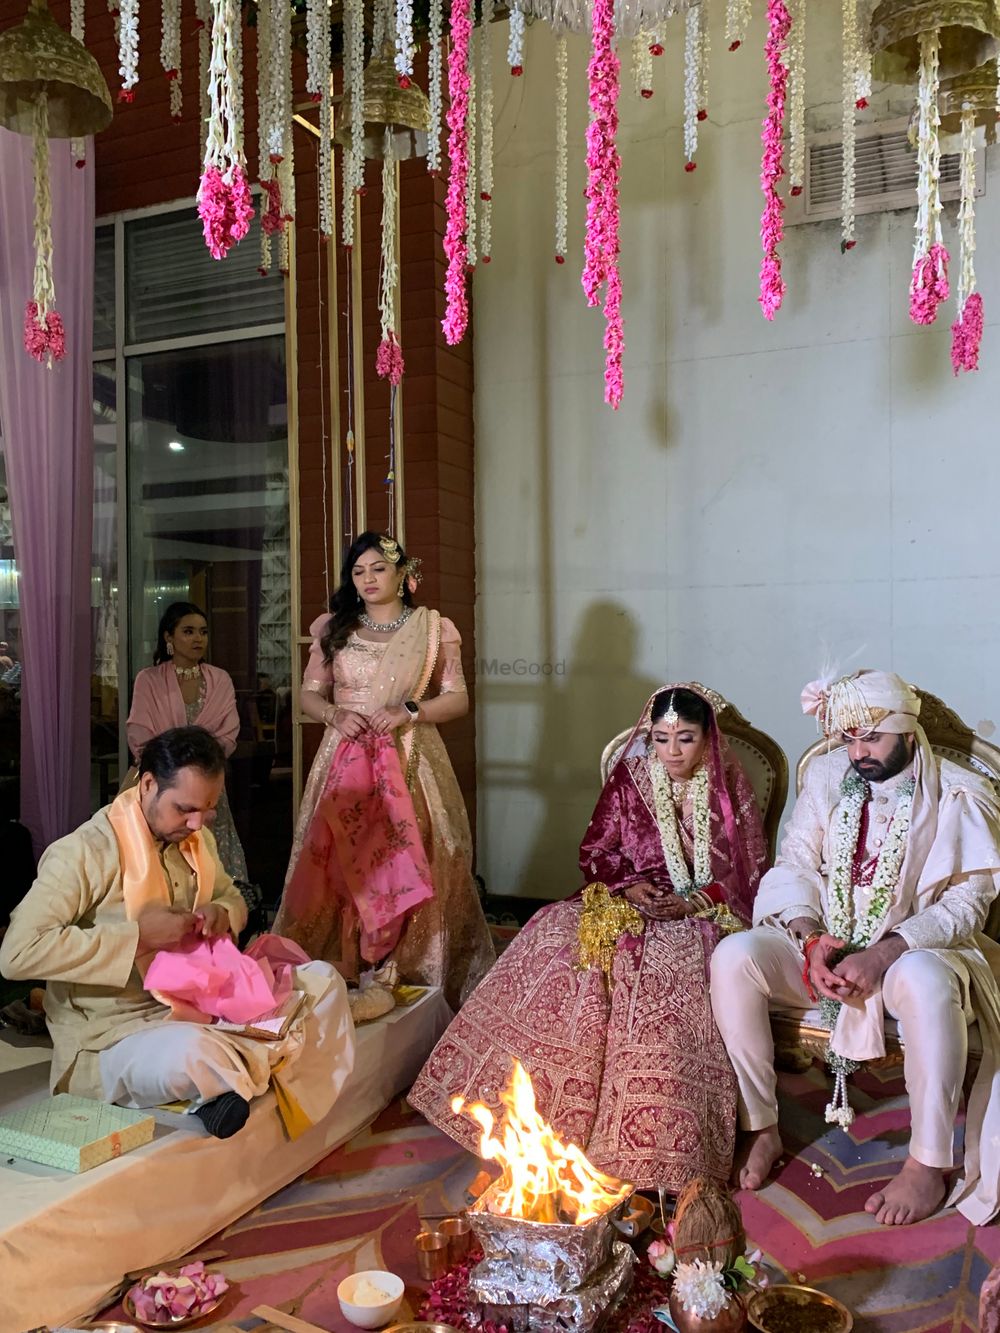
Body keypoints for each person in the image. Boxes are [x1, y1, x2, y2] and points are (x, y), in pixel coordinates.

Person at [409, 684, 769, 1191]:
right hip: (628, 899)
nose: (672, 752)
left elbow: (748, 868)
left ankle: (652, 1144)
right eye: (661, 739)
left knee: (667, 970)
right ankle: (553, 1126)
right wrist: (631, 886)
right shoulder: (631, 779)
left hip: (701, 911)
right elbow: (596, 848)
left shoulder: (728, 786)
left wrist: (693, 901)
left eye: (685, 739)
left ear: (706, 738)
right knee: (557, 938)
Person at [711, 670, 1000, 1226]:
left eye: (872, 738)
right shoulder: (825, 776)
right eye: (848, 739)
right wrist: (810, 937)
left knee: (923, 979)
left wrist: (885, 951)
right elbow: (794, 863)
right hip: (830, 940)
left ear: (908, 735)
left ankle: (927, 1161)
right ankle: (761, 1125)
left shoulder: (961, 791)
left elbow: (967, 907)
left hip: (917, 951)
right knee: (735, 956)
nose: (858, 752)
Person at [0, 727, 354, 1139]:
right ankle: (254, 1063)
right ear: (148, 784)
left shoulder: (195, 839)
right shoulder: (84, 852)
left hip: (202, 1005)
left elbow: (230, 896)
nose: (197, 823)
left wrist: (223, 912)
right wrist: (139, 938)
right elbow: (17, 953)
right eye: (185, 809)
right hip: (117, 1036)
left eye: (208, 810)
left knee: (325, 983)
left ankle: (235, 1076)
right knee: (191, 1054)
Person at [273, 532, 495, 1009]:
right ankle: (343, 968)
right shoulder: (334, 627)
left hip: (410, 753)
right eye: (358, 572)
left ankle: (414, 969)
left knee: (423, 853)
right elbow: (309, 694)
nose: (368, 579)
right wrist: (334, 714)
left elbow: (457, 699)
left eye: (377, 569)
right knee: (338, 857)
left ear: (402, 574)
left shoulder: (433, 629)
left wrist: (409, 710)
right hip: (346, 752)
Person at [127, 602, 248, 883]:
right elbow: (140, 733)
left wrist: (199, 767)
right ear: (169, 637)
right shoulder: (149, 680)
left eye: (203, 632)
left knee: (210, 863)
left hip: (206, 785)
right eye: (188, 631)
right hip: (163, 785)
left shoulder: (219, 680)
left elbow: (228, 734)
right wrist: (173, 767)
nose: (198, 639)